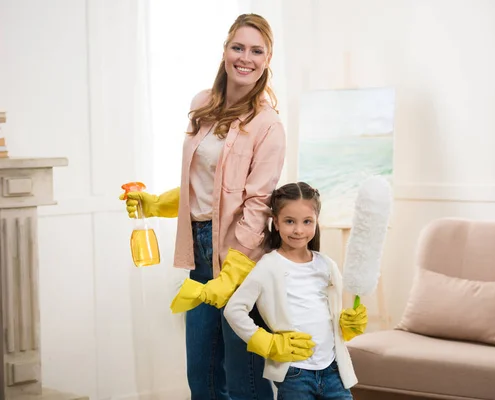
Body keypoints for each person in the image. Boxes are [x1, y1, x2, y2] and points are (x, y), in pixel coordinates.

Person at [121, 13, 285, 400]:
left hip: (240, 256)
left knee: (245, 379)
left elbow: (258, 203)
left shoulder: (267, 124)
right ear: (225, 50)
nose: (245, 57)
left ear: (267, 59)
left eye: (256, 51)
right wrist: (157, 203)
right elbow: (204, 183)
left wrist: (234, 270)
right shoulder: (204, 105)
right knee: (202, 375)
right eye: (238, 47)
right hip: (198, 249)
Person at [223, 182, 369, 400]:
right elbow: (233, 310)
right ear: (276, 223)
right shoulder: (269, 266)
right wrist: (268, 343)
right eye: (290, 221)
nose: (299, 230)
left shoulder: (326, 265)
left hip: (333, 370)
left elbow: (330, 314)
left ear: (316, 222)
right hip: (295, 373)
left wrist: (347, 324)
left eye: (307, 221)